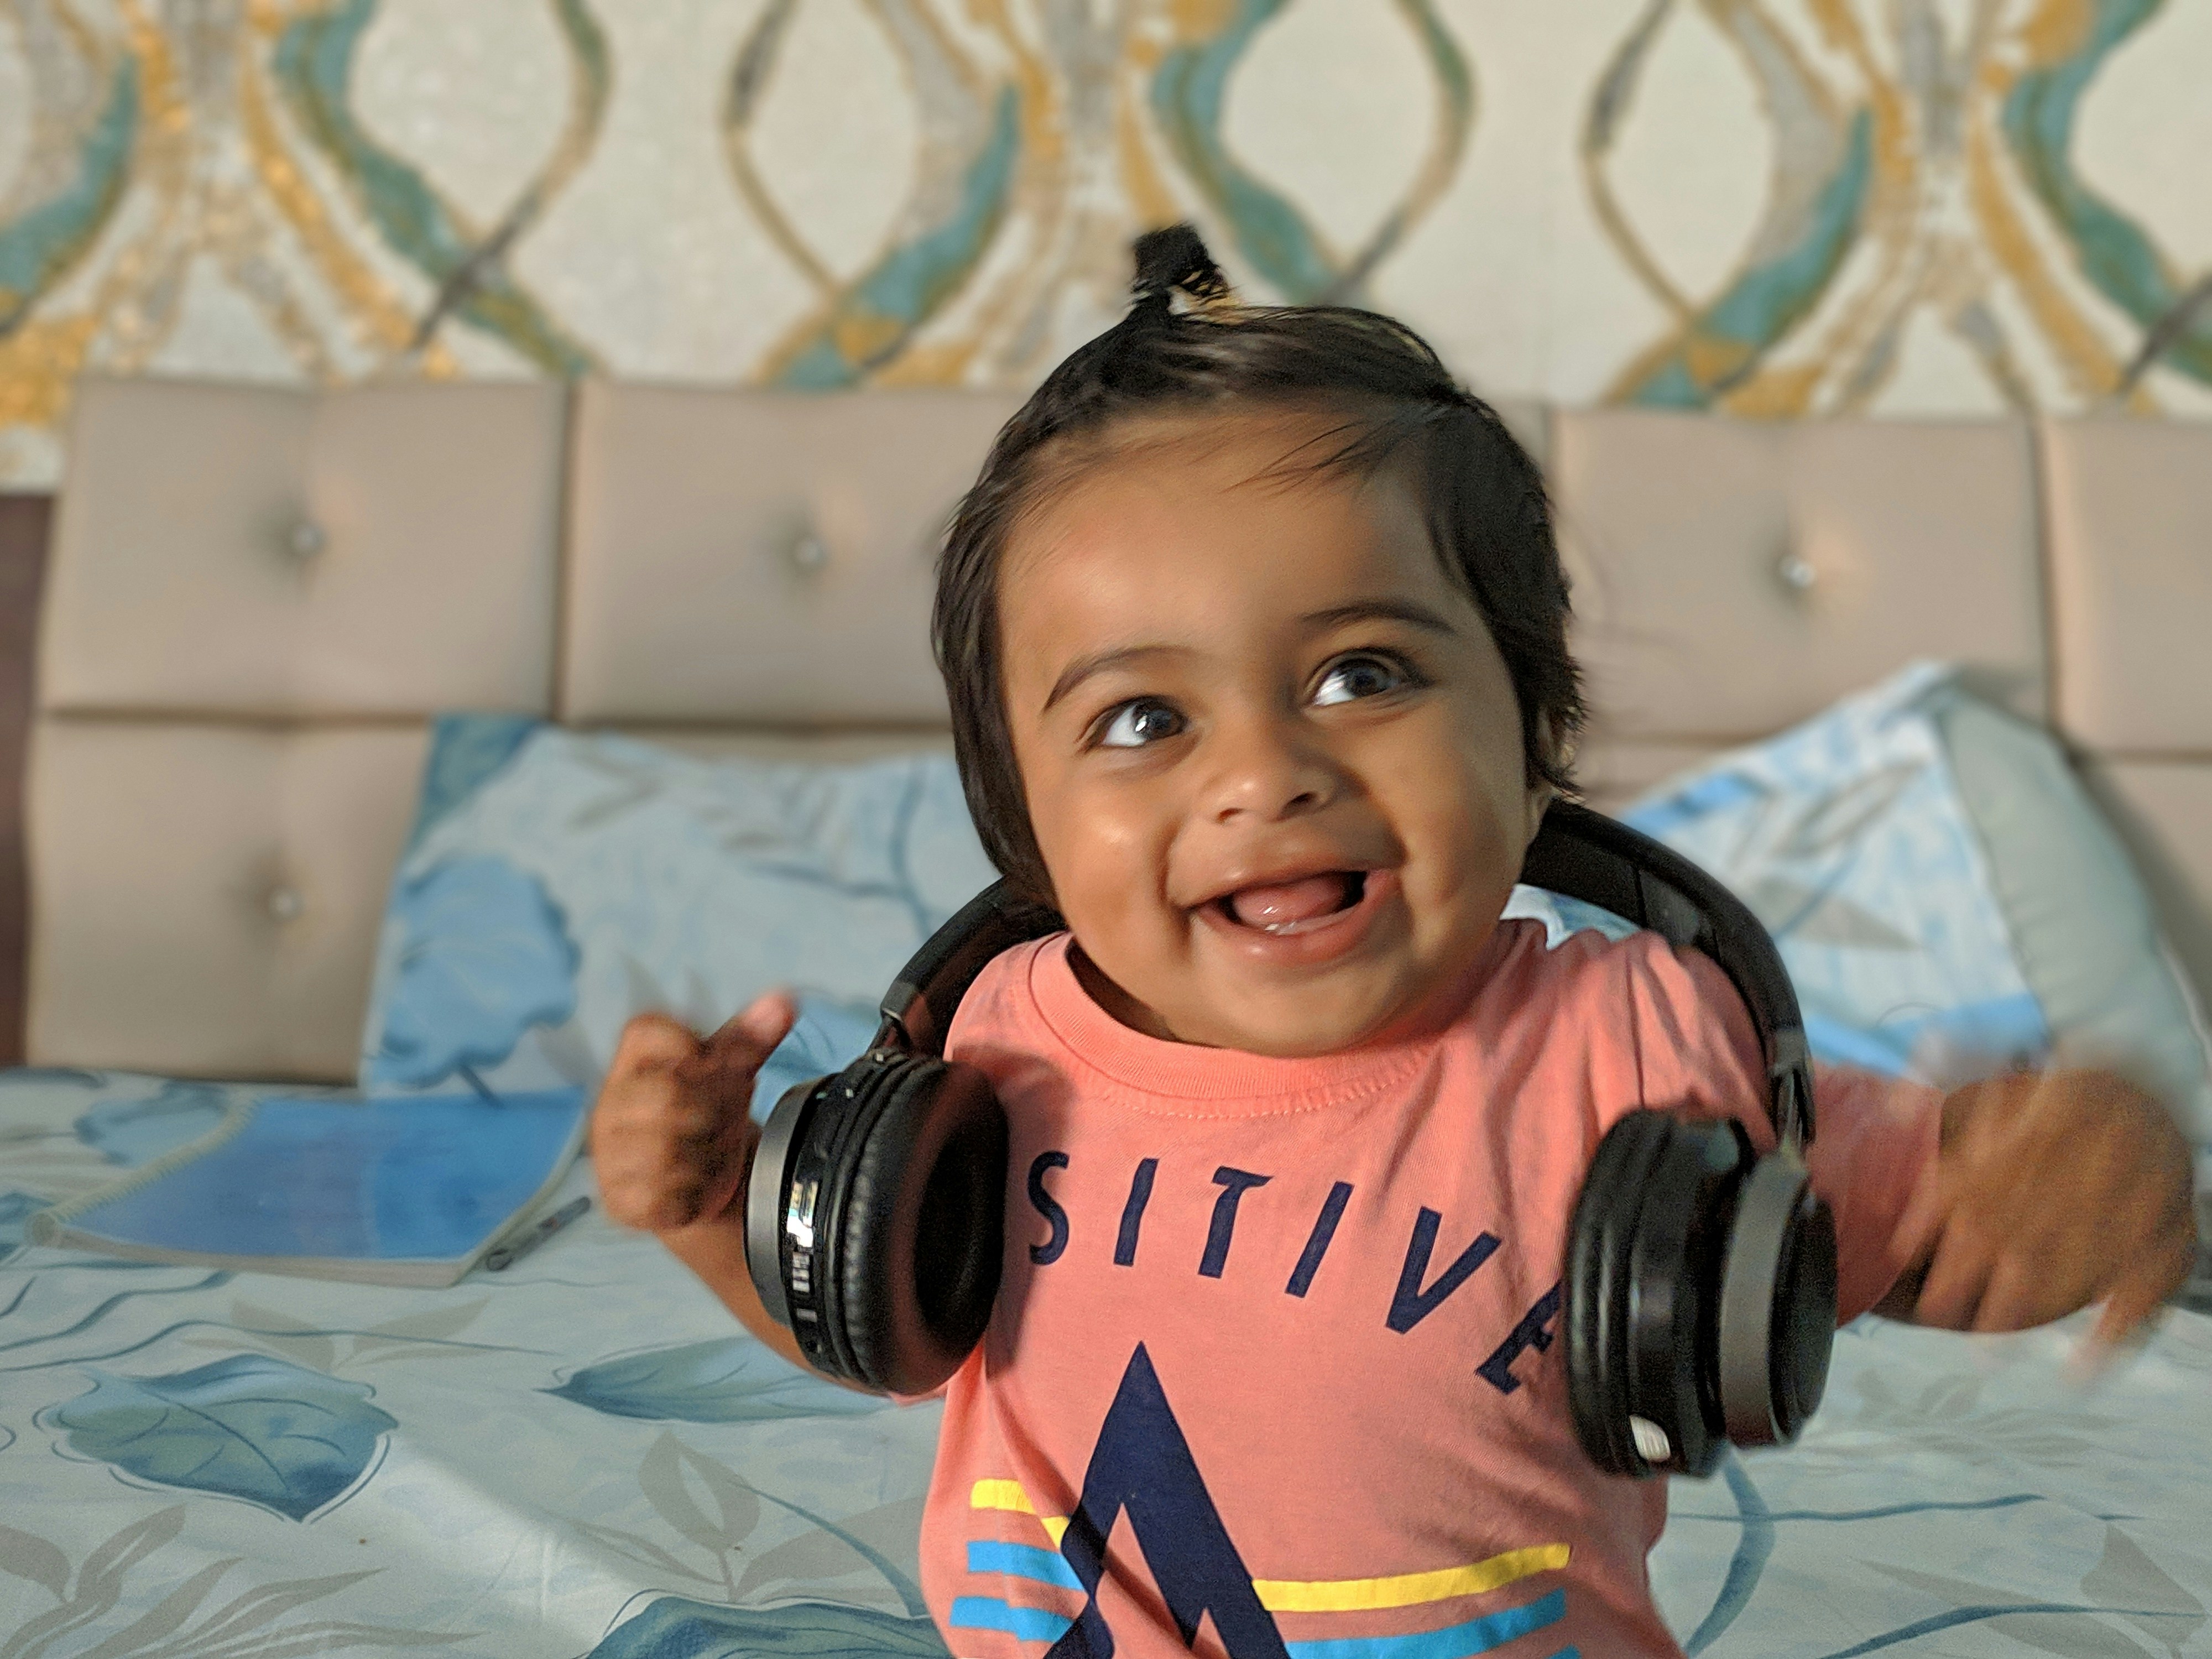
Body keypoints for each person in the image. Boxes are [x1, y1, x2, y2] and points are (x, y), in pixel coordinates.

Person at [590, 226, 2196, 1657]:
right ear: (1023, 825)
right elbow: (876, 1319)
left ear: (1532, 734)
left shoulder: (1630, 1044)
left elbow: (1942, 1222)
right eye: (1143, 716)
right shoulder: (996, 1049)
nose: (1264, 774)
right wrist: (715, 1207)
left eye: (1362, 675)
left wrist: (2102, 1161)